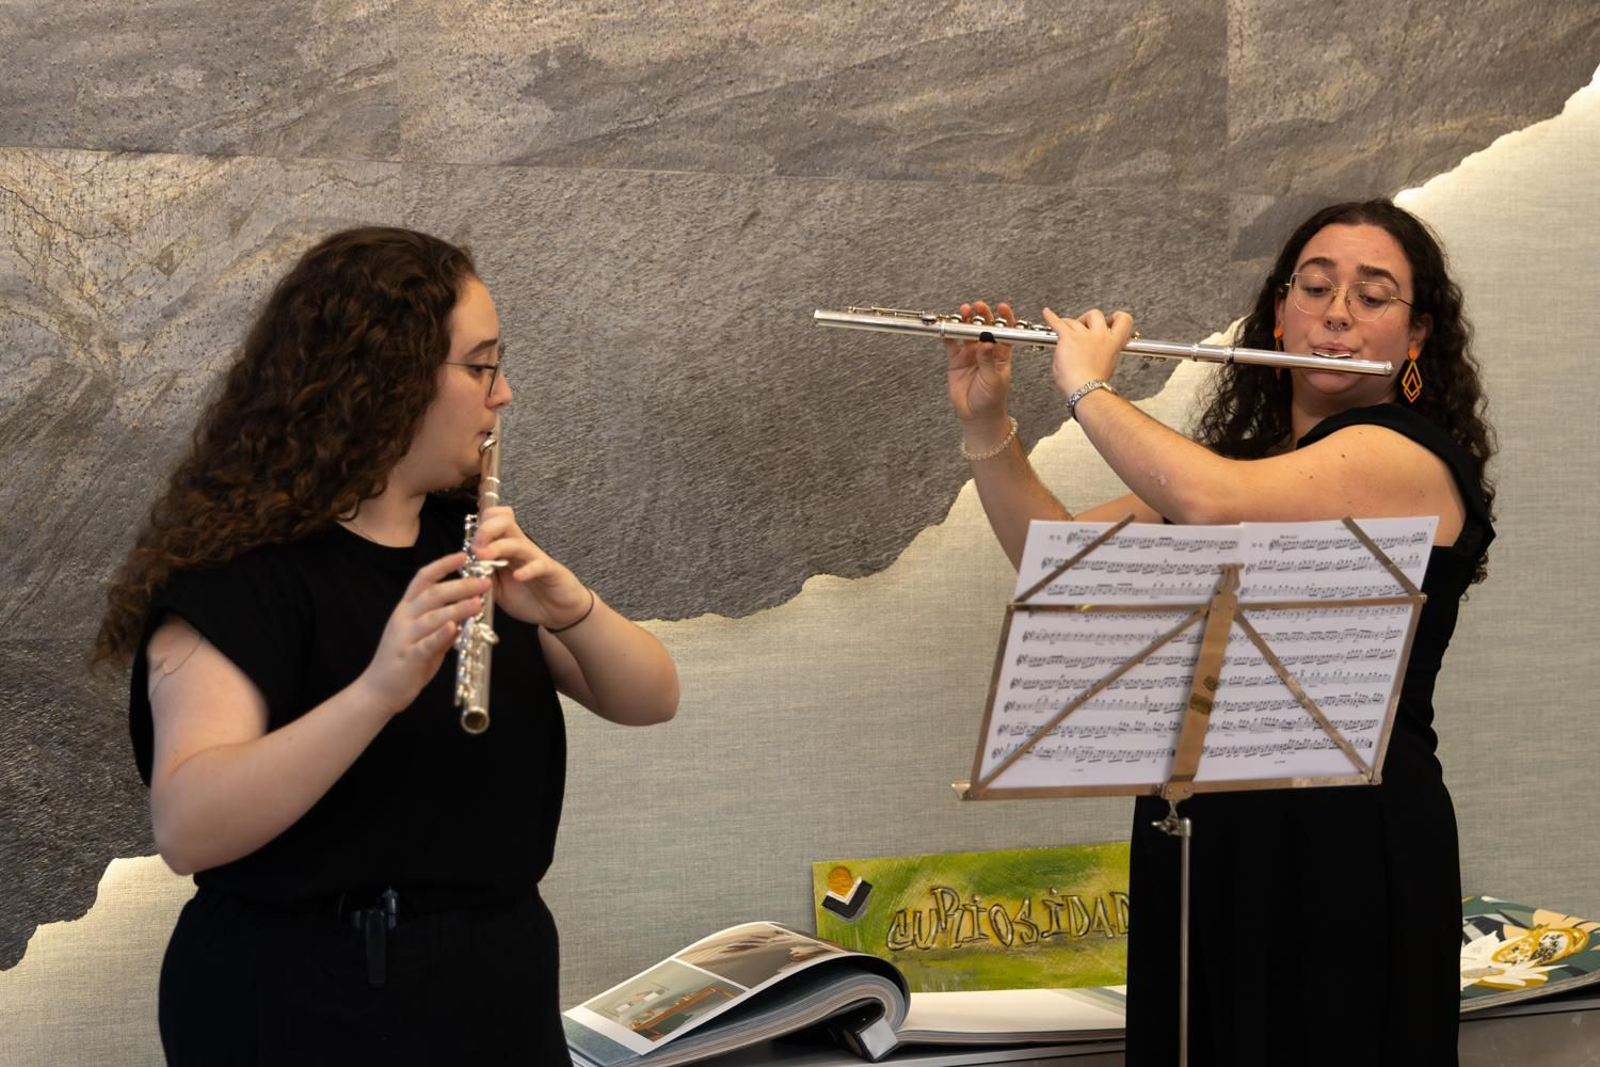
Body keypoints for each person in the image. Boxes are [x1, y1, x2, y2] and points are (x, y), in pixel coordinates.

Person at [94, 227, 679, 1065]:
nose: (503, 393)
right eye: (481, 365)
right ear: (388, 378)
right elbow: (188, 826)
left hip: (494, 986)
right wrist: (379, 689)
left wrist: (569, 602)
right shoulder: (238, 576)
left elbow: (651, 696)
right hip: (306, 999)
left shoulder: (470, 538)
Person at [945, 199, 1494, 1065]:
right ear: (1279, 312)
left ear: (1416, 336)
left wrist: (1087, 383)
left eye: (1372, 296)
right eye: (1314, 287)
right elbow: (1058, 557)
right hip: (1206, 838)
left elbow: (1210, 501)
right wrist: (986, 423)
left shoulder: (1408, 457)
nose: (1337, 312)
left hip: (1350, 844)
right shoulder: (1247, 468)